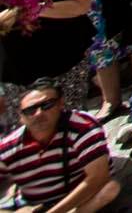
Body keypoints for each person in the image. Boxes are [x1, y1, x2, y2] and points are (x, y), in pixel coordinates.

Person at [0, 78, 117, 213]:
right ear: (21, 117)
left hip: (77, 203)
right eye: (30, 110)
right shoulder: (10, 146)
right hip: (32, 206)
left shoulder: (83, 127)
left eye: (47, 105)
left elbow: (98, 178)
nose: (39, 113)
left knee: (110, 189)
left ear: (61, 104)